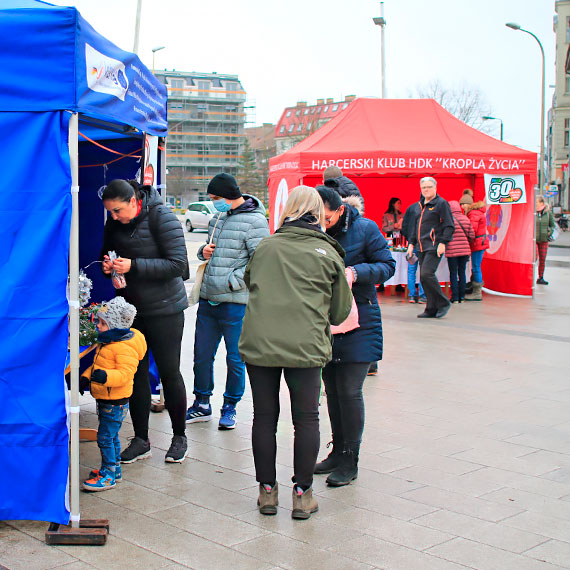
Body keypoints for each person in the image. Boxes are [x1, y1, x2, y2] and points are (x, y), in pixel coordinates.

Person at [239, 185, 352, 520]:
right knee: (306, 419)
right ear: (318, 213)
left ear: (287, 210)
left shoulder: (266, 247)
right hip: (306, 345)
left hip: (261, 343)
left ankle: (267, 492)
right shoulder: (328, 252)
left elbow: (250, 282)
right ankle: (302, 495)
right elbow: (339, 313)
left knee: (264, 417)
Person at [101, 179, 190, 464]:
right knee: (135, 373)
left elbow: (179, 265)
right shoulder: (114, 222)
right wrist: (108, 267)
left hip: (166, 309)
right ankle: (141, 439)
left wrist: (134, 265)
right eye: (110, 212)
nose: (114, 217)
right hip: (132, 311)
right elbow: (107, 255)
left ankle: (179, 437)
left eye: (117, 211)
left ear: (133, 201)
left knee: (169, 372)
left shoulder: (162, 216)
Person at [315, 186, 395, 487]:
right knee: (332, 391)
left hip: (361, 319)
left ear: (340, 210)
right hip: (326, 321)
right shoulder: (314, 230)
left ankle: (351, 459)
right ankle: (337, 451)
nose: (323, 223)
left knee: (349, 390)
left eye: (327, 218)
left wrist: (356, 272)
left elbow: (388, 265)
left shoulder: (365, 228)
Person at [186, 173, 269, 429]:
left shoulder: (255, 221)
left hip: (235, 303)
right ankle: (201, 402)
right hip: (208, 300)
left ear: (230, 195)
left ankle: (230, 406)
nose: (214, 203)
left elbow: (261, 262)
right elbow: (210, 250)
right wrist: (203, 252)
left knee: (235, 358)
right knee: (201, 355)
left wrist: (234, 281)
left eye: (216, 198)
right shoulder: (218, 217)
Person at [82, 297, 147, 491]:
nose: (99, 327)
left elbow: (125, 374)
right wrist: (87, 377)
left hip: (115, 400)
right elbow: (97, 366)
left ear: (116, 325)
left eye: (103, 323)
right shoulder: (109, 341)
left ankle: (108, 474)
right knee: (112, 436)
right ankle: (115, 469)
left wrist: (104, 377)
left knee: (104, 437)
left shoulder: (123, 347)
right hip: (106, 398)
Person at [406, 177, 454, 318]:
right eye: (423, 187)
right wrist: (411, 244)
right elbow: (415, 227)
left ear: (435, 188)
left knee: (427, 274)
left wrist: (443, 242)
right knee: (424, 277)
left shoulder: (441, 204)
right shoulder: (419, 206)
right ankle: (431, 308)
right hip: (420, 247)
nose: (426, 190)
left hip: (433, 246)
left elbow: (449, 225)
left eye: (428, 187)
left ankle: (442, 302)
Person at [460, 194, 490, 301]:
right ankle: (474, 290)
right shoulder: (475, 212)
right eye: (461, 204)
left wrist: (465, 239)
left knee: (476, 267)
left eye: (463, 204)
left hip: (478, 243)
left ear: (468, 204)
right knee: (475, 266)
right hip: (479, 242)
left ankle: (477, 293)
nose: (462, 206)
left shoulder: (473, 214)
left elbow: (472, 229)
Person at [446, 201, 475, 303]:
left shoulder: (448, 220)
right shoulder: (466, 219)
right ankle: (462, 297)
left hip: (452, 251)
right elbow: (472, 235)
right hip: (464, 251)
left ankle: (454, 297)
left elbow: (445, 235)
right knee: (462, 273)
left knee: (453, 273)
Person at [401, 201, 426, 304]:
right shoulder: (428, 208)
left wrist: (409, 240)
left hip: (412, 243)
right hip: (423, 244)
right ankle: (422, 295)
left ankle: (412, 295)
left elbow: (404, 226)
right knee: (423, 271)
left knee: (411, 270)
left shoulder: (411, 207)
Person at [535, 195, 555, 285]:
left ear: (542, 203)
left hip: (544, 239)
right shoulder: (533, 212)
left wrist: (549, 233)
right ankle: (530, 278)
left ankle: (541, 277)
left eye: (537, 202)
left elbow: (552, 225)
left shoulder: (548, 213)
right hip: (534, 240)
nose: (535, 203)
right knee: (533, 258)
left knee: (542, 259)